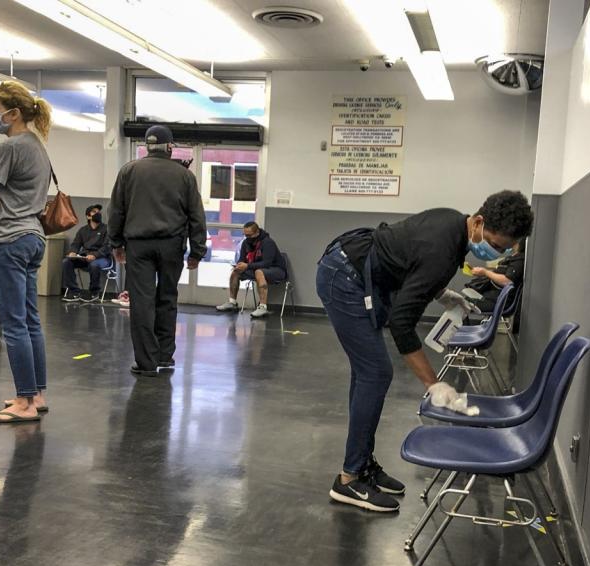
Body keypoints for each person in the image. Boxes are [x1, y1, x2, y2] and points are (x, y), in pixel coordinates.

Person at [316, 191, 533, 512]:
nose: (494, 253)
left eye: (503, 249)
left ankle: (361, 463)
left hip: (363, 271)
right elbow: (402, 323)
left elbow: (413, 262)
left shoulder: (453, 222)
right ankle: (349, 480)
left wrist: (443, 294)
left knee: (369, 374)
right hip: (345, 276)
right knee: (376, 373)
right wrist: (434, 385)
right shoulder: (443, 249)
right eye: (495, 244)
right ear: (478, 221)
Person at [0, 80, 53, 422]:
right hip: (33, 237)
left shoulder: (8, 148)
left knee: (13, 323)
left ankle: (23, 403)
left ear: (13, 113)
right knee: (31, 321)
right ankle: (37, 394)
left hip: (8, 238)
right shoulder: (37, 146)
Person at [107, 125, 207, 376]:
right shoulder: (184, 176)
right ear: (170, 147)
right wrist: (197, 251)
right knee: (167, 299)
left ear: (147, 146)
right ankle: (165, 356)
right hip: (171, 246)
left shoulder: (129, 171)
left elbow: (116, 211)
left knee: (142, 303)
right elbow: (196, 215)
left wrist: (116, 244)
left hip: (138, 246)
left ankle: (147, 362)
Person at [215, 221, 287, 318]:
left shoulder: (268, 242)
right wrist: (239, 265)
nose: (247, 238)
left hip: (276, 270)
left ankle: (262, 307)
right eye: (245, 235)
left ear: (257, 233)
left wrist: (247, 266)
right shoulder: (246, 243)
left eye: (249, 235)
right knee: (235, 271)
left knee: (259, 271)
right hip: (256, 269)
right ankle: (232, 302)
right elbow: (242, 260)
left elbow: (266, 263)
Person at [62, 204, 112, 302]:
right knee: (66, 262)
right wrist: (72, 252)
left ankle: (94, 293)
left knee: (94, 265)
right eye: (94, 212)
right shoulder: (83, 230)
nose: (97, 213)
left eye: (98, 212)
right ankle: (74, 292)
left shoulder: (106, 229)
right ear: (88, 216)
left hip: (103, 258)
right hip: (85, 257)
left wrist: (95, 255)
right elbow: (76, 244)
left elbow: (107, 247)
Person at [465, 238, 525, 313]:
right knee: (464, 300)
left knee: (463, 304)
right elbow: (501, 274)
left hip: (498, 301)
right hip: (493, 297)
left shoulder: (519, 260)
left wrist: (485, 272)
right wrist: (483, 273)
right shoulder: (514, 257)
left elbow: (507, 281)